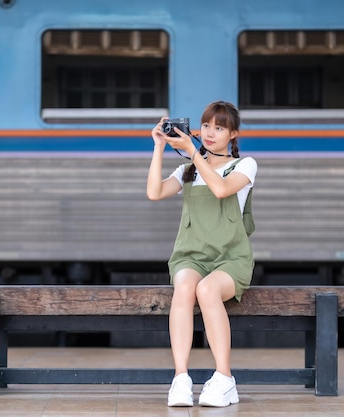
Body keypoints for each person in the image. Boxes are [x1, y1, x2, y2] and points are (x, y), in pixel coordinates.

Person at [146, 101, 257, 408]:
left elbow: (221, 189)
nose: (210, 133)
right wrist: (159, 148)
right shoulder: (188, 170)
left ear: (232, 134)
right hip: (191, 255)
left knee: (207, 290)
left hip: (230, 258)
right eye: (206, 126)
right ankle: (181, 378)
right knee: (184, 287)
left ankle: (224, 378)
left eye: (219, 127)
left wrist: (193, 152)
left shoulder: (245, 165)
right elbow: (154, 192)